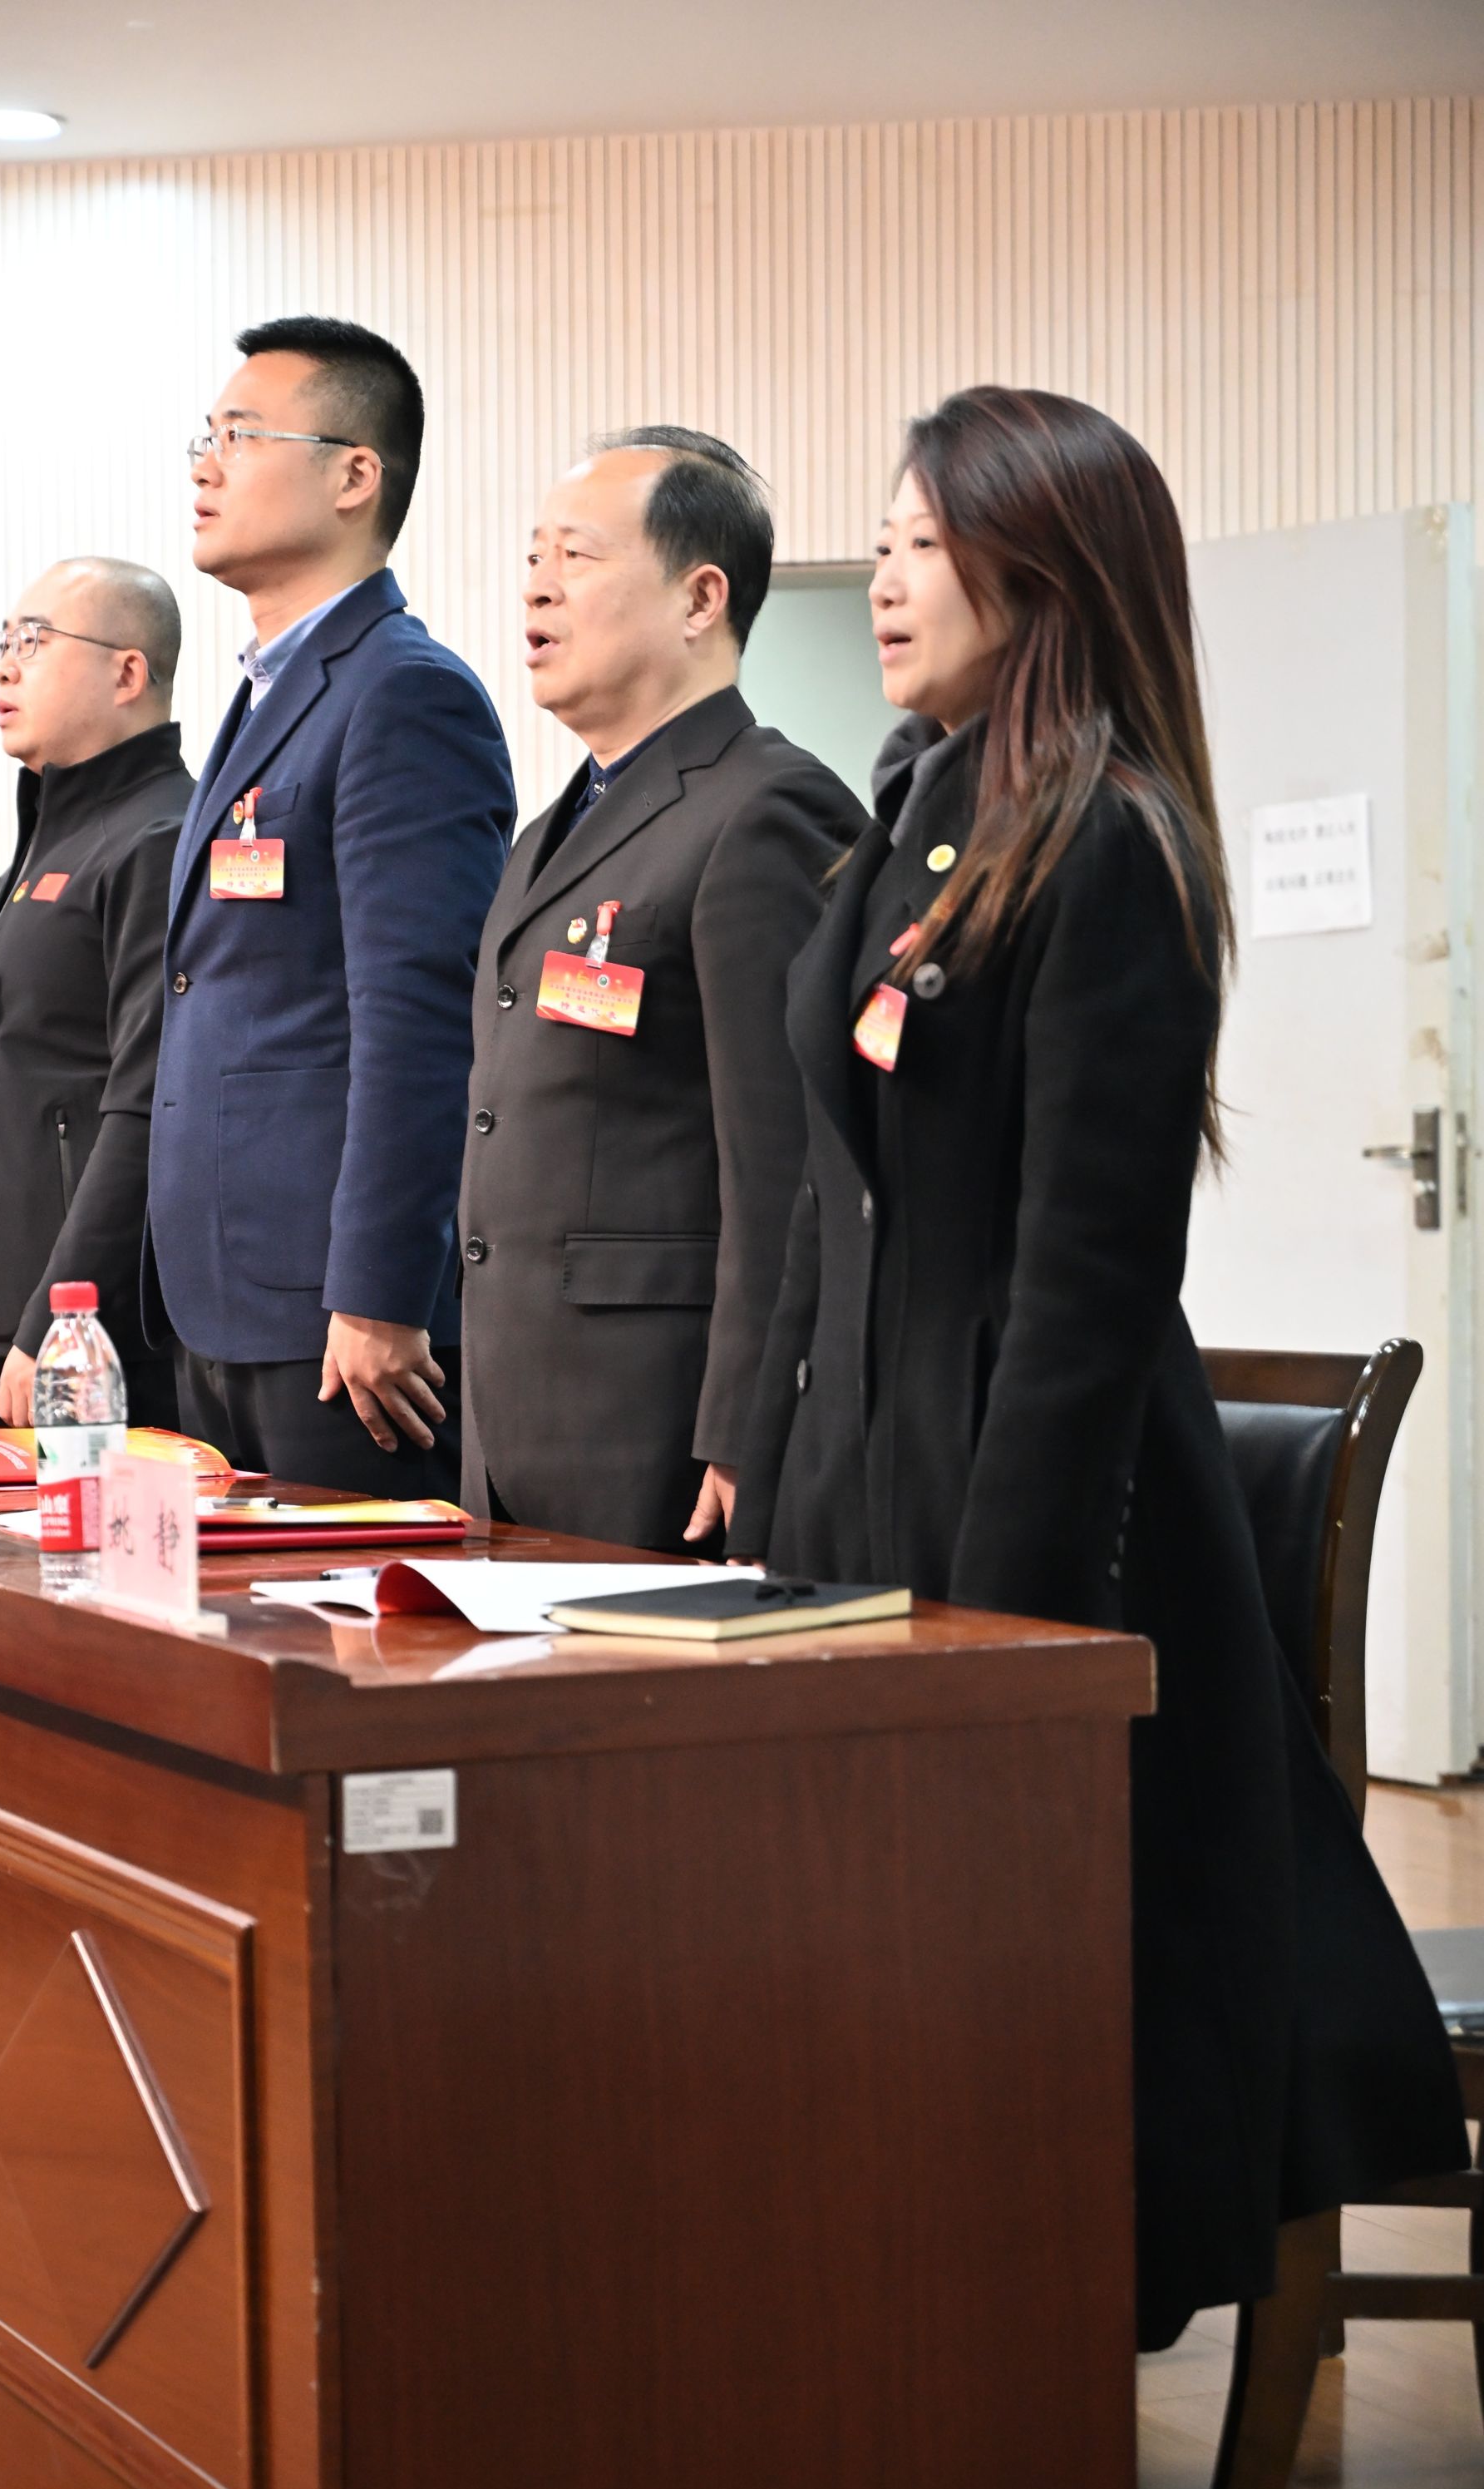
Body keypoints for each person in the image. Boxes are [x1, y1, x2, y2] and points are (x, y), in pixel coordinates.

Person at [727, 387, 1466, 2347]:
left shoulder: (1108, 842)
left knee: (1033, 2018)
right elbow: (827, 1189)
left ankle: (1003, 2385)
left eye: (924, 543)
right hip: (861, 1484)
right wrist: (769, 1486)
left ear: (1039, 572)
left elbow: (1083, 1283)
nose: (888, 578)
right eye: (885, 541)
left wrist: (1007, 1631)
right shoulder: (913, 809)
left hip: (1026, 1517)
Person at [457, 430, 867, 1553]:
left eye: (577, 555)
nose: (537, 586)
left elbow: (788, 1161)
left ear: (700, 598)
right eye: (533, 557)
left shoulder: (765, 809)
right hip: (513, 1421)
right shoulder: (544, 837)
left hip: (663, 1430)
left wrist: (748, 1423)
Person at [147, 315, 515, 1495]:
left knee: (344, 1610)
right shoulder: (265, 696)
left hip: (342, 1326)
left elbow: (420, 1013)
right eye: (204, 438)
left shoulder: (404, 694)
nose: (205, 465)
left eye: (241, 435)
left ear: (355, 475)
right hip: (223, 1299)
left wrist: (379, 1291)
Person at [0, 558, 192, 1430]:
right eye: (4, 644)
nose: (5, 669)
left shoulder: (161, 841)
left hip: (102, 1346)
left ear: (127, 673)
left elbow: (146, 1103)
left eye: (34, 642)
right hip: (22, 1337)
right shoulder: (27, 870)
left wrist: (61, 1315)